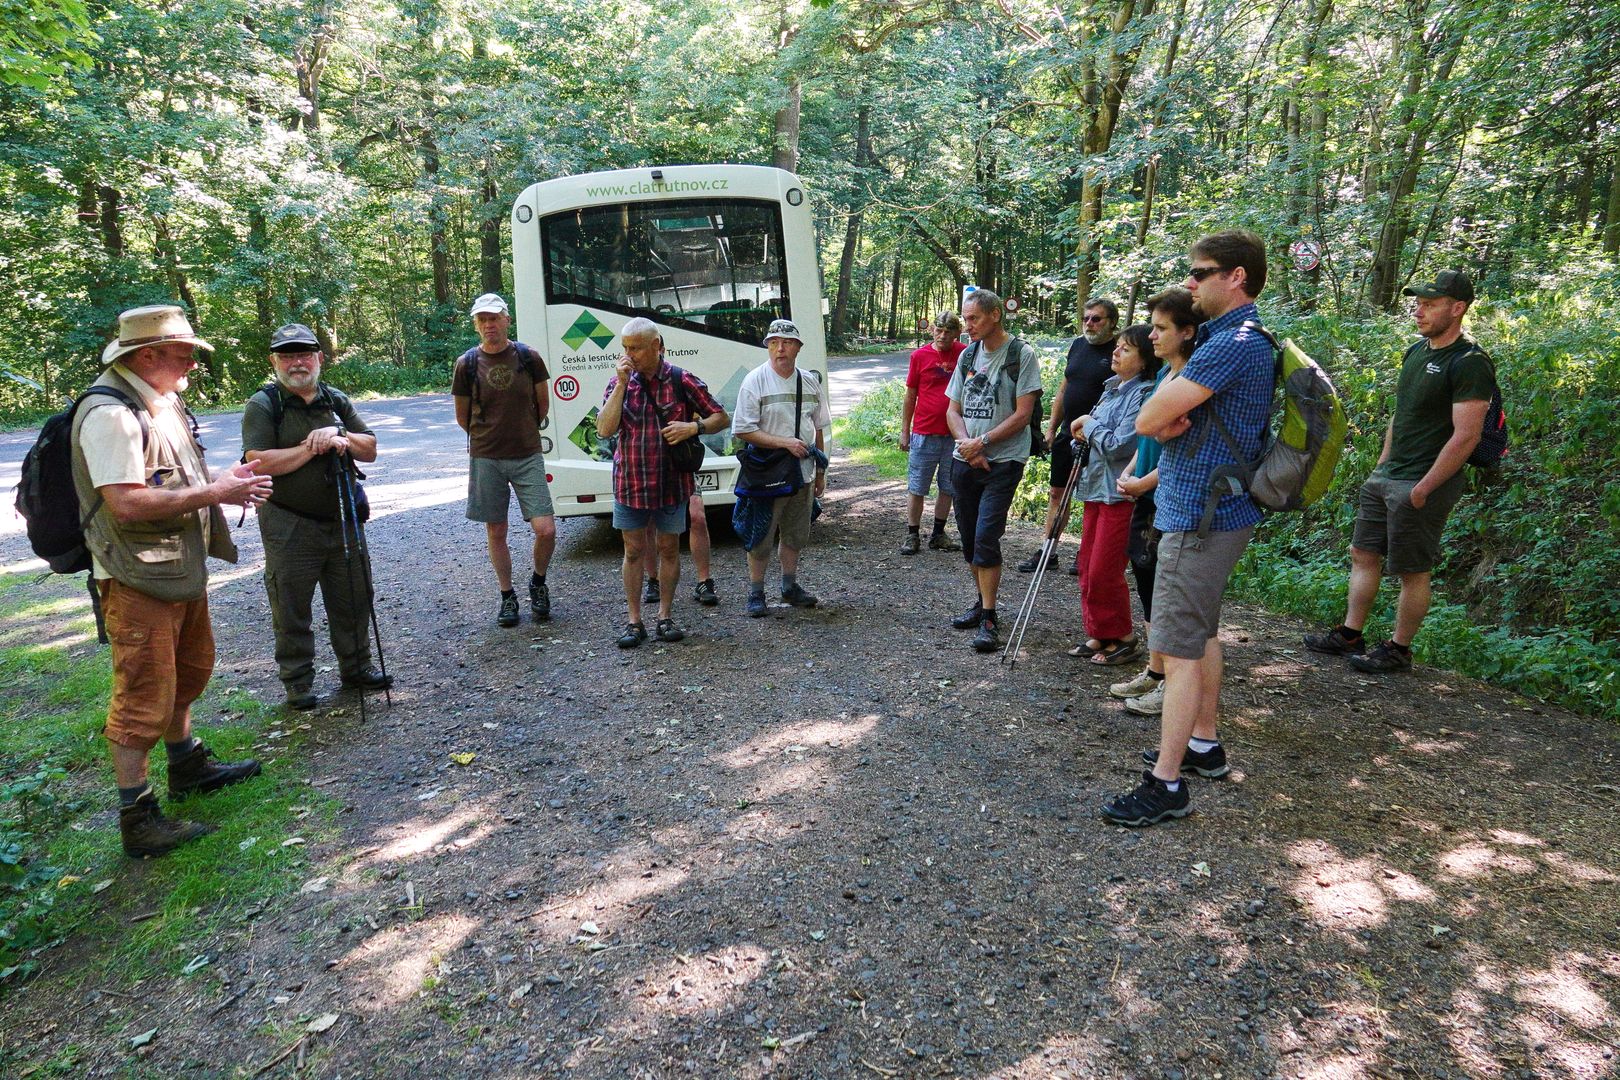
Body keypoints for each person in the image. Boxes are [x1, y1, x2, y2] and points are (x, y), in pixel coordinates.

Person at [70, 304, 273, 858]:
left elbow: (178, 476)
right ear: (149, 354)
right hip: (136, 577)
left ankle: (187, 764)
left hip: (174, 566)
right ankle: (137, 816)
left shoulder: (160, 400)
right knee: (141, 694)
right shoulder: (111, 414)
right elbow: (126, 502)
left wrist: (222, 479)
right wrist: (215, 494)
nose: (193, 362)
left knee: (187, 670)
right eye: (184, 352)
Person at [1101, 230, 1274, 827]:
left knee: (1175, 651)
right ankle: (1203, 743)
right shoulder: (1235, 339)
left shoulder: (1233, 343)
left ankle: (1165, 784)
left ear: (1237, 278)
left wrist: (1166, 417)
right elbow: (1161, 418)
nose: (1191, 282)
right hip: (1215, 509)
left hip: (1198, 516)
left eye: (1201, 273)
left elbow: (1149, 417)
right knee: (1200, 635)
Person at [1304, 270, 1494, 673]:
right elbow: (1401, 414)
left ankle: (1398, 649)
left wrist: (1424, 487)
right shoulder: (1416, 351)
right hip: (1389, 475)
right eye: (1418, 303)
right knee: (1362, 553)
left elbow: (1467, 436)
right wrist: (1380, 466)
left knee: (1412, 569)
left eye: (1430, 304)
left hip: (1422, 481)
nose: (1419, 311)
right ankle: (1350, 634)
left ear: (1457, 308)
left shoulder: (1470, 361)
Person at [241, 323, 392, 710]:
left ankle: (357, 668)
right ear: (274, 361)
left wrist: (339, 434)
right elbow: (256, 461)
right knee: (291, 604)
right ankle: (297, 682)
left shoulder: (335, 400)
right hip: (288, 523)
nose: (297, 363)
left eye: (304, 354)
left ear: (319, 358)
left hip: (343, 518)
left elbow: (370, 448)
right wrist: (312, 447)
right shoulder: (264, 404)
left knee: (355, 596)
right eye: (287, 356)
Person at [597, 318, 728, 647]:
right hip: (630, 482)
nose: (630, 355)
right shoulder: (619, 383)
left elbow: (720, 416)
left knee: (669, 549)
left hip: (671, 482)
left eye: (636, 348)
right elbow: (604, 429)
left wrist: (692, 428)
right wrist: (623, 384)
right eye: (625, 348)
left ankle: (665, 617)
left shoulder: (679, 379)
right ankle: (634, 621)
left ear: (657, 346)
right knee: (633, 550)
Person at [1108, 288, 1203, 717]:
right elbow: (1147, 436)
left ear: (1187, 332)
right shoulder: (1167, 375)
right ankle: (1155, 669)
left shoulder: (1192, 382)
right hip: (1145, 491)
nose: (1153, 337)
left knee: (1165, 589)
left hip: (1164, 494)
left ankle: (1169, 680)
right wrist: (1130, 471)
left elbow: (1185, 452)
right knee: (1146, 579)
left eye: (1161, 329)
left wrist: (1143, 482)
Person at [945, 288, 1042, 653]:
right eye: (966, 319)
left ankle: (989, 616)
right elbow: (952, 410)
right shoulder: (967, 355)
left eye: (974, 319)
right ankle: (980, 601)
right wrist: (968, 447)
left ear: (995, 315)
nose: (966, 326)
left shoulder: (1021, 355)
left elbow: (1023, 414)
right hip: (966, 459)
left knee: (986, 537)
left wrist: (981, 444)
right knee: (969, 539)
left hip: (1004, 462)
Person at [452, 293, 557, 627]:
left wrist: (523, 430)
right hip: (486, 457)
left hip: (527, 454)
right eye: (482, 320)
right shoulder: (466, 363)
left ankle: (537, 582)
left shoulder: (528, 357)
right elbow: (462, 417)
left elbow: (543, 404)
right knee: (496, 530)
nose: (489, 325)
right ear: (476, 325)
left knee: (546, 529)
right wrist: (490, 436)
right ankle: (507, 596)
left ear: (506, 320)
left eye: (494, 318)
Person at [1068, 324, 1158, 666]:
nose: (1115, 353)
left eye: (1125, 349)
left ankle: (1124, 636)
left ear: (1144, 358)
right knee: (1088, 568)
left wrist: (1088, 426)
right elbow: (1098, 435)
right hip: (1095, 487)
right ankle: (1101, 633)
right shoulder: (1111, 389)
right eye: (1116, 347)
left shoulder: (1144, 393)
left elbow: (1121, 444)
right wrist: (1084, 432)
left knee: (1106, 569)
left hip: (1120, 494)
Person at [732, 318, 831, 617]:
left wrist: (822, 473)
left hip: (802, 473)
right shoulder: (755, 381)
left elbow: (820, 430)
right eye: (774, 343)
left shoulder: (809, 381)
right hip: (766, 474)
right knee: (760, 536)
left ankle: (789, 587)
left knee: (795, 535)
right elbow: (743, 430)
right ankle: (756, 592)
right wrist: (784, 443)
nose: (780, 349)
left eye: (787, 343)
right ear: (767, 347)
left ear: (798, 348)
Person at [1016, 298, 1118, 574]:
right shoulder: (1078, 345)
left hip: (1098, 437)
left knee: (1092, 497)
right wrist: (1051, 427)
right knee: (1056, 492)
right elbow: (1064, 388)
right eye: (1086, 318)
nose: (1089, 324)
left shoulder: (1120, 350)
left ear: (1112, 322)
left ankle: (1085, 554)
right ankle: (1048, 551)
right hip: (1067, 433)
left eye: (1096, 319)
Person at [898, 312, 965, 555]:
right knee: (917, 486)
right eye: (939, 330)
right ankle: (912, 534)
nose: (943, 335)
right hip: (924, 431)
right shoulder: (919, 356)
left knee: (948, 486)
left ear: (957, 332)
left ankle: (938, 533)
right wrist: (905, 430)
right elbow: (911, 394)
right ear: (932, 330)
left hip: (955, 433)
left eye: (948, 331)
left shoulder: (965, 353)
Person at [638, 494, 719, 609]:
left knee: (697, 516)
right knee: (648, 522)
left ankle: (704, 581)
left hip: (682, 477)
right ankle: (653, 580)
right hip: (650, 478)